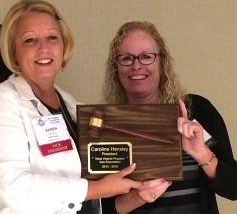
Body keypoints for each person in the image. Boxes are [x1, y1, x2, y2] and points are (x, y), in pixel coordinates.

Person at [0, 1, 143, 213]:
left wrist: (141, 189)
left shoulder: (74, 108)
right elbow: (15, 188)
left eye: (52, 37)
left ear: (64, 46)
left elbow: (90, 191)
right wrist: (96, 189)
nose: (43, 48)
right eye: (30, 40)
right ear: (14, 52)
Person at [101, 21, 237, 213]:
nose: (136, 66)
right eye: (126, 58)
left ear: (162, 62)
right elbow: (95, 207)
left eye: (146, 57)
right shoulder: (105, 124)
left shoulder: (197, 110)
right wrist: (136, 197)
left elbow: (233, 188)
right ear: (116, 66)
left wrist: (202, 154)